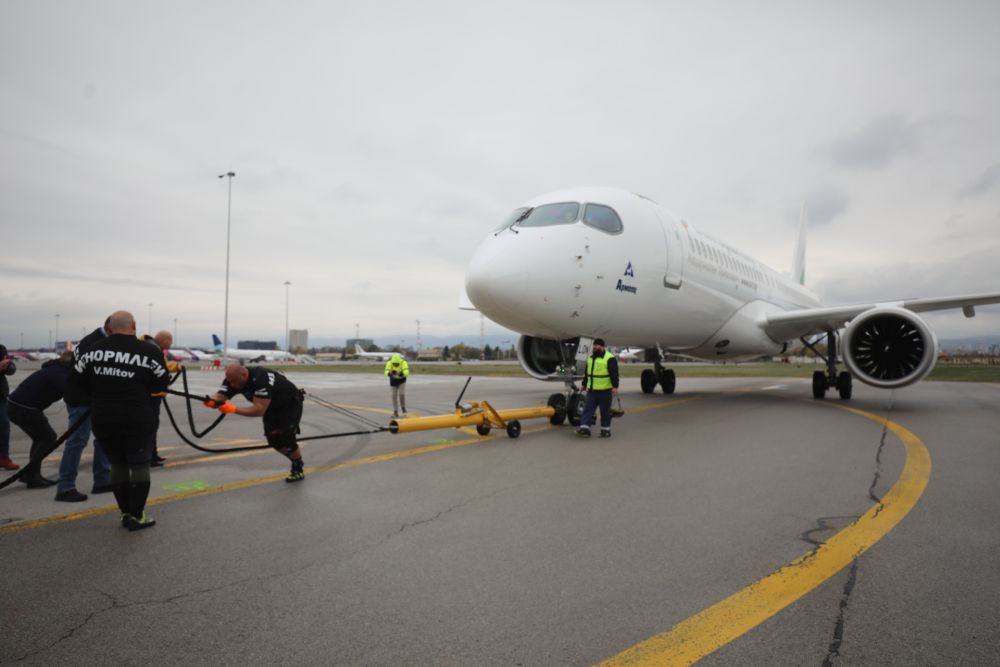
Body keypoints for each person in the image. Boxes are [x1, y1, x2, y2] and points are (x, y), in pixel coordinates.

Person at [70, 310, 169, 530]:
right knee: (140, 464)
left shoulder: (92, 351)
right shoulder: (148, 351)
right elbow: (162, 382)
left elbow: (76, 380)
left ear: (110, 327)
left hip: (104, 417)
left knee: (118, 463)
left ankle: (125, 513)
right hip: (137, 417)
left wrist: (100, 391)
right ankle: (137, 515)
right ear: (134, 325)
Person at [208, 363, 306, 482]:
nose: (232, 385)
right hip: (271, 408)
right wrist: (211, 401)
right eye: (230, 382)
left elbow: (259, 410)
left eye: (234, 381)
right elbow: (220, 396)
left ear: (244, 375)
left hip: (289, 404)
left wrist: (234, 409)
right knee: (273, 440)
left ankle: (297, 467)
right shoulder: (232, 379)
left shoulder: (261, 377)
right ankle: (296, 459)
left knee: (287, 436)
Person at [57, 317, 113, 501]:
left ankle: (102, 480)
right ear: (110, 328)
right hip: (83, 400)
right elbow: (88, 373)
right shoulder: (93, 343)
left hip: (96, 398)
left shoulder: (99, 340)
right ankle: (65, 487)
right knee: (77, 441)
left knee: (104, 437)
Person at [5, 351, 75, 487]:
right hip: (24, 408)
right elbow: (71, 392)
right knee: (48, 437)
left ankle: (30, 474)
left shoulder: (55, 369)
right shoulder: (59, 374)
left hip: (18, 407)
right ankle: (32, 476)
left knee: (41, 438)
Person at [144, 330, 182, 466]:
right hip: (150, 396)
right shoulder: (153, 349)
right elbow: (161, 367)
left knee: (152, 426)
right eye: (170, 340)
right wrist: (176, 366)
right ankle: (148, 456)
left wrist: (176, 367)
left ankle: (152, 455)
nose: (171, 344)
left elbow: (163, 365)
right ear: (164, 339)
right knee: (149, 427)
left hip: (153, 395)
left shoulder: (153, 348)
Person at [575, 338, 620, 438]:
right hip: (592, 390)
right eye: (594, 345)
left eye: (597, 346)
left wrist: (615, 386)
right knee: (588, 409)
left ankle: (605, 430)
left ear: (603, 347)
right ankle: (584, 429)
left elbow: (614, 373)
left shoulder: (609, 358)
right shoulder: (590, 358)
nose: (594, 347)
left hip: (605, 390)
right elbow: (587, 374)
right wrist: (584, 384)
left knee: (605, 412)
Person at [0, 343, 18, 471]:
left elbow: (11, 368)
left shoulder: (1, 348)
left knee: (4, 427)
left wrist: (7, 367)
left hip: (1, 397)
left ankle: (4, 458)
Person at [384, 353, 409, 417]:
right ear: (392, 362)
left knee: (401, 394)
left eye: (397, 364)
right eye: (394, 364)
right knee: (393, 396)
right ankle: (395, 411)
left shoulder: (403, 362)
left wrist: (401, 373)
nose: (395, 365)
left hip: (401, 381)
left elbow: (407, 372)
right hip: (393, 381)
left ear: (399, 361)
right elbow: (385, 372)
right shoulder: (389, 363)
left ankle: (403, 408)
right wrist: (390, 373)